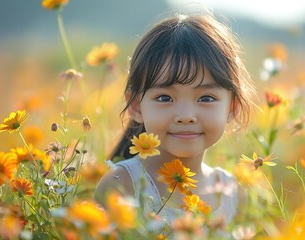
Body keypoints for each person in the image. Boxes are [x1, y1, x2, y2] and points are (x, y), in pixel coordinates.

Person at [94, 8, 255, 234]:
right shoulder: (122, 184)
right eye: (165, 98)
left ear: (232, 107)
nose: (186, 115)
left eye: (206, 98)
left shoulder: (232, 192)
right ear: (136, 106)